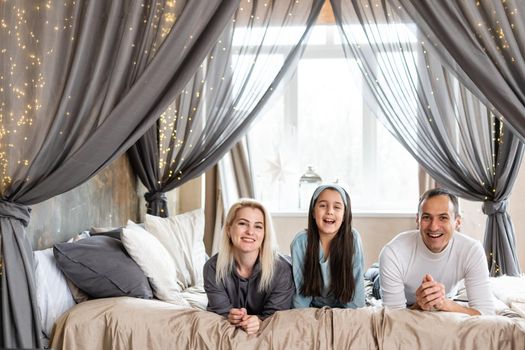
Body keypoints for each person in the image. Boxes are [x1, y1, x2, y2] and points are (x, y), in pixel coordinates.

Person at [379, 188, 494, 315]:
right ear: (418, 220)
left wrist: (445, 304)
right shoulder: (393, 253)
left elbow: (486, 313)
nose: (433, 227)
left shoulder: (472, 250)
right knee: (374, 276)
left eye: (443, 218)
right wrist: (419, 305)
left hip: (445, 297)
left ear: (457, 222)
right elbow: (392, 319)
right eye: (427, 217)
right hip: (392, 287)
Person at [203, 198, 294, 334]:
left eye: (258, 226)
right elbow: (220, 311)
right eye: (242, 224)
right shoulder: (212, 268)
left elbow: (275, 315)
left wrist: (259, 320)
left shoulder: (283, 269)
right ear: (228, 229)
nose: (250, 232)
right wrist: (230, 315)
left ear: (264, 234)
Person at [291, 184, 365, 308]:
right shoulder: (300, 242)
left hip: (344, 303)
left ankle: (374, 273)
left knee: (373, 278)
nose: (330, 211)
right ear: (313, 212)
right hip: (314, 305)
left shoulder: (353, 238)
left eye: (337, 207)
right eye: (323, 205)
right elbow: (301, 292)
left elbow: (356, 291)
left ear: (344, 215)